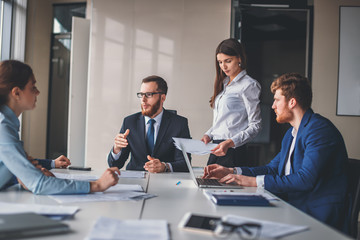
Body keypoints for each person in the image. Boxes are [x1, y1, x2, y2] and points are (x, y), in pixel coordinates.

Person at [203, 73, 350, 233]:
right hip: (293, 205)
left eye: (277, 100)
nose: (273, 106)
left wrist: (253, 181)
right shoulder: (291, 133)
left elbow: (305, 179)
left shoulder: (319, 130)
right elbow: (273, 168)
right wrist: (233, 171)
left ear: (292, 102)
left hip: (316, 212)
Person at [0, 60, 119, 194]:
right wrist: (97, 185)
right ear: (16, 93)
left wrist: (26, 171)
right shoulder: (3, 127)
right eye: (33, 87)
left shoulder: (7, 124)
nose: (38, 92)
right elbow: (39, 184)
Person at [107, 75, 191, 173]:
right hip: (135, 181)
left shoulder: (179, 124)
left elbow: (185, 164)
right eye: (141, 94)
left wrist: (165, 166)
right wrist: (117, 149)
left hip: (166, 181)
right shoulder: (129, 122)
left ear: (162, 98)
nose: (143, 100)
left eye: (149, 94)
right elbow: (114, 165)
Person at [201, 38, 261, 168]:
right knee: (207, 185)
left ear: (239, 58)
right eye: (220, 62)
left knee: (225, 188)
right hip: (216, 146)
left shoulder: (249, 85)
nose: (224, 66)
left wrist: (231, 142)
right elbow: (224, 121)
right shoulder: (224, 84)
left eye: (228, 61)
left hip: (233, 150)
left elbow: (255, 125)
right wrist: (209, 134)